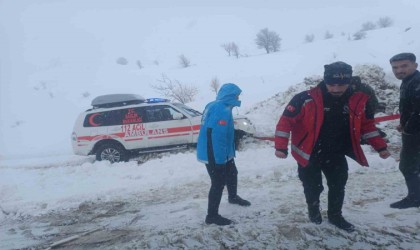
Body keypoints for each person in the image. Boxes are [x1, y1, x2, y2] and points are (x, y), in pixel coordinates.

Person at [274, 61, 391, 232]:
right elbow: (285, 123)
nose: (336, 88)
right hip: (309, 153)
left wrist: (380, 147)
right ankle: (313, 211)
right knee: (313, 186)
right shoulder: (305, 98)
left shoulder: (357, 99)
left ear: (349, 82)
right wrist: (280, 147)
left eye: (341, 84)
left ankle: (336, 215)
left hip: (337, 152)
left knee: (338, 185)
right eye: (332, 84)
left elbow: (367, 126)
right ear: (325, 81)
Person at [197, 83, 251, 226]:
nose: (238, 97)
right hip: (214, 153)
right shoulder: (221, 108)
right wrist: (219, 160)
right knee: (218, 183)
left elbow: (216, 128)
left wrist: (235, 133)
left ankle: (233, 197)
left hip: (222, 152)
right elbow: (215, 135)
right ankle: (212, 216)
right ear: (231, 95)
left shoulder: (218, 105)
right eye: (237, 95)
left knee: (232, 173)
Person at [389, 52, 420, 209]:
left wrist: (408, 128)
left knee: (408, 166)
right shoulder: (409, 81)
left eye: (404, 66)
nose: (399, 70)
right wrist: (403, 123)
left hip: (415, 133)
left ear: (415, 65)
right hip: (412, 130)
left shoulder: (417, 82)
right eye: (395, 67)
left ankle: (415, 198)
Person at [350, 76, 387, 141]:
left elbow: (367, 101)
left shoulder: (363, 88)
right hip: (369, 106)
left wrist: (366, 111)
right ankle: (379, 135)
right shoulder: (363, 86)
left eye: (353, 84)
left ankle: (375, 137)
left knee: (366, 124)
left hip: (369, 107)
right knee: (366, 124)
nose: (353, 86)